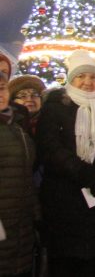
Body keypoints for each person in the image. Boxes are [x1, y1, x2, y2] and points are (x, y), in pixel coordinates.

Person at [37, 50, 95, 277]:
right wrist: (81, 171)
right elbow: (50, 147)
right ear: (71, 79)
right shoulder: (54, 108)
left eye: (93, 77)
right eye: (81, 76)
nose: (88, 82)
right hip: (64, 197)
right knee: (68, 263)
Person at [0, 69, 38, 277]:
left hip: (20, 222)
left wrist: (36, 212)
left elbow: (25, 176)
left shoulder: (15, 126)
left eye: (2, 88)